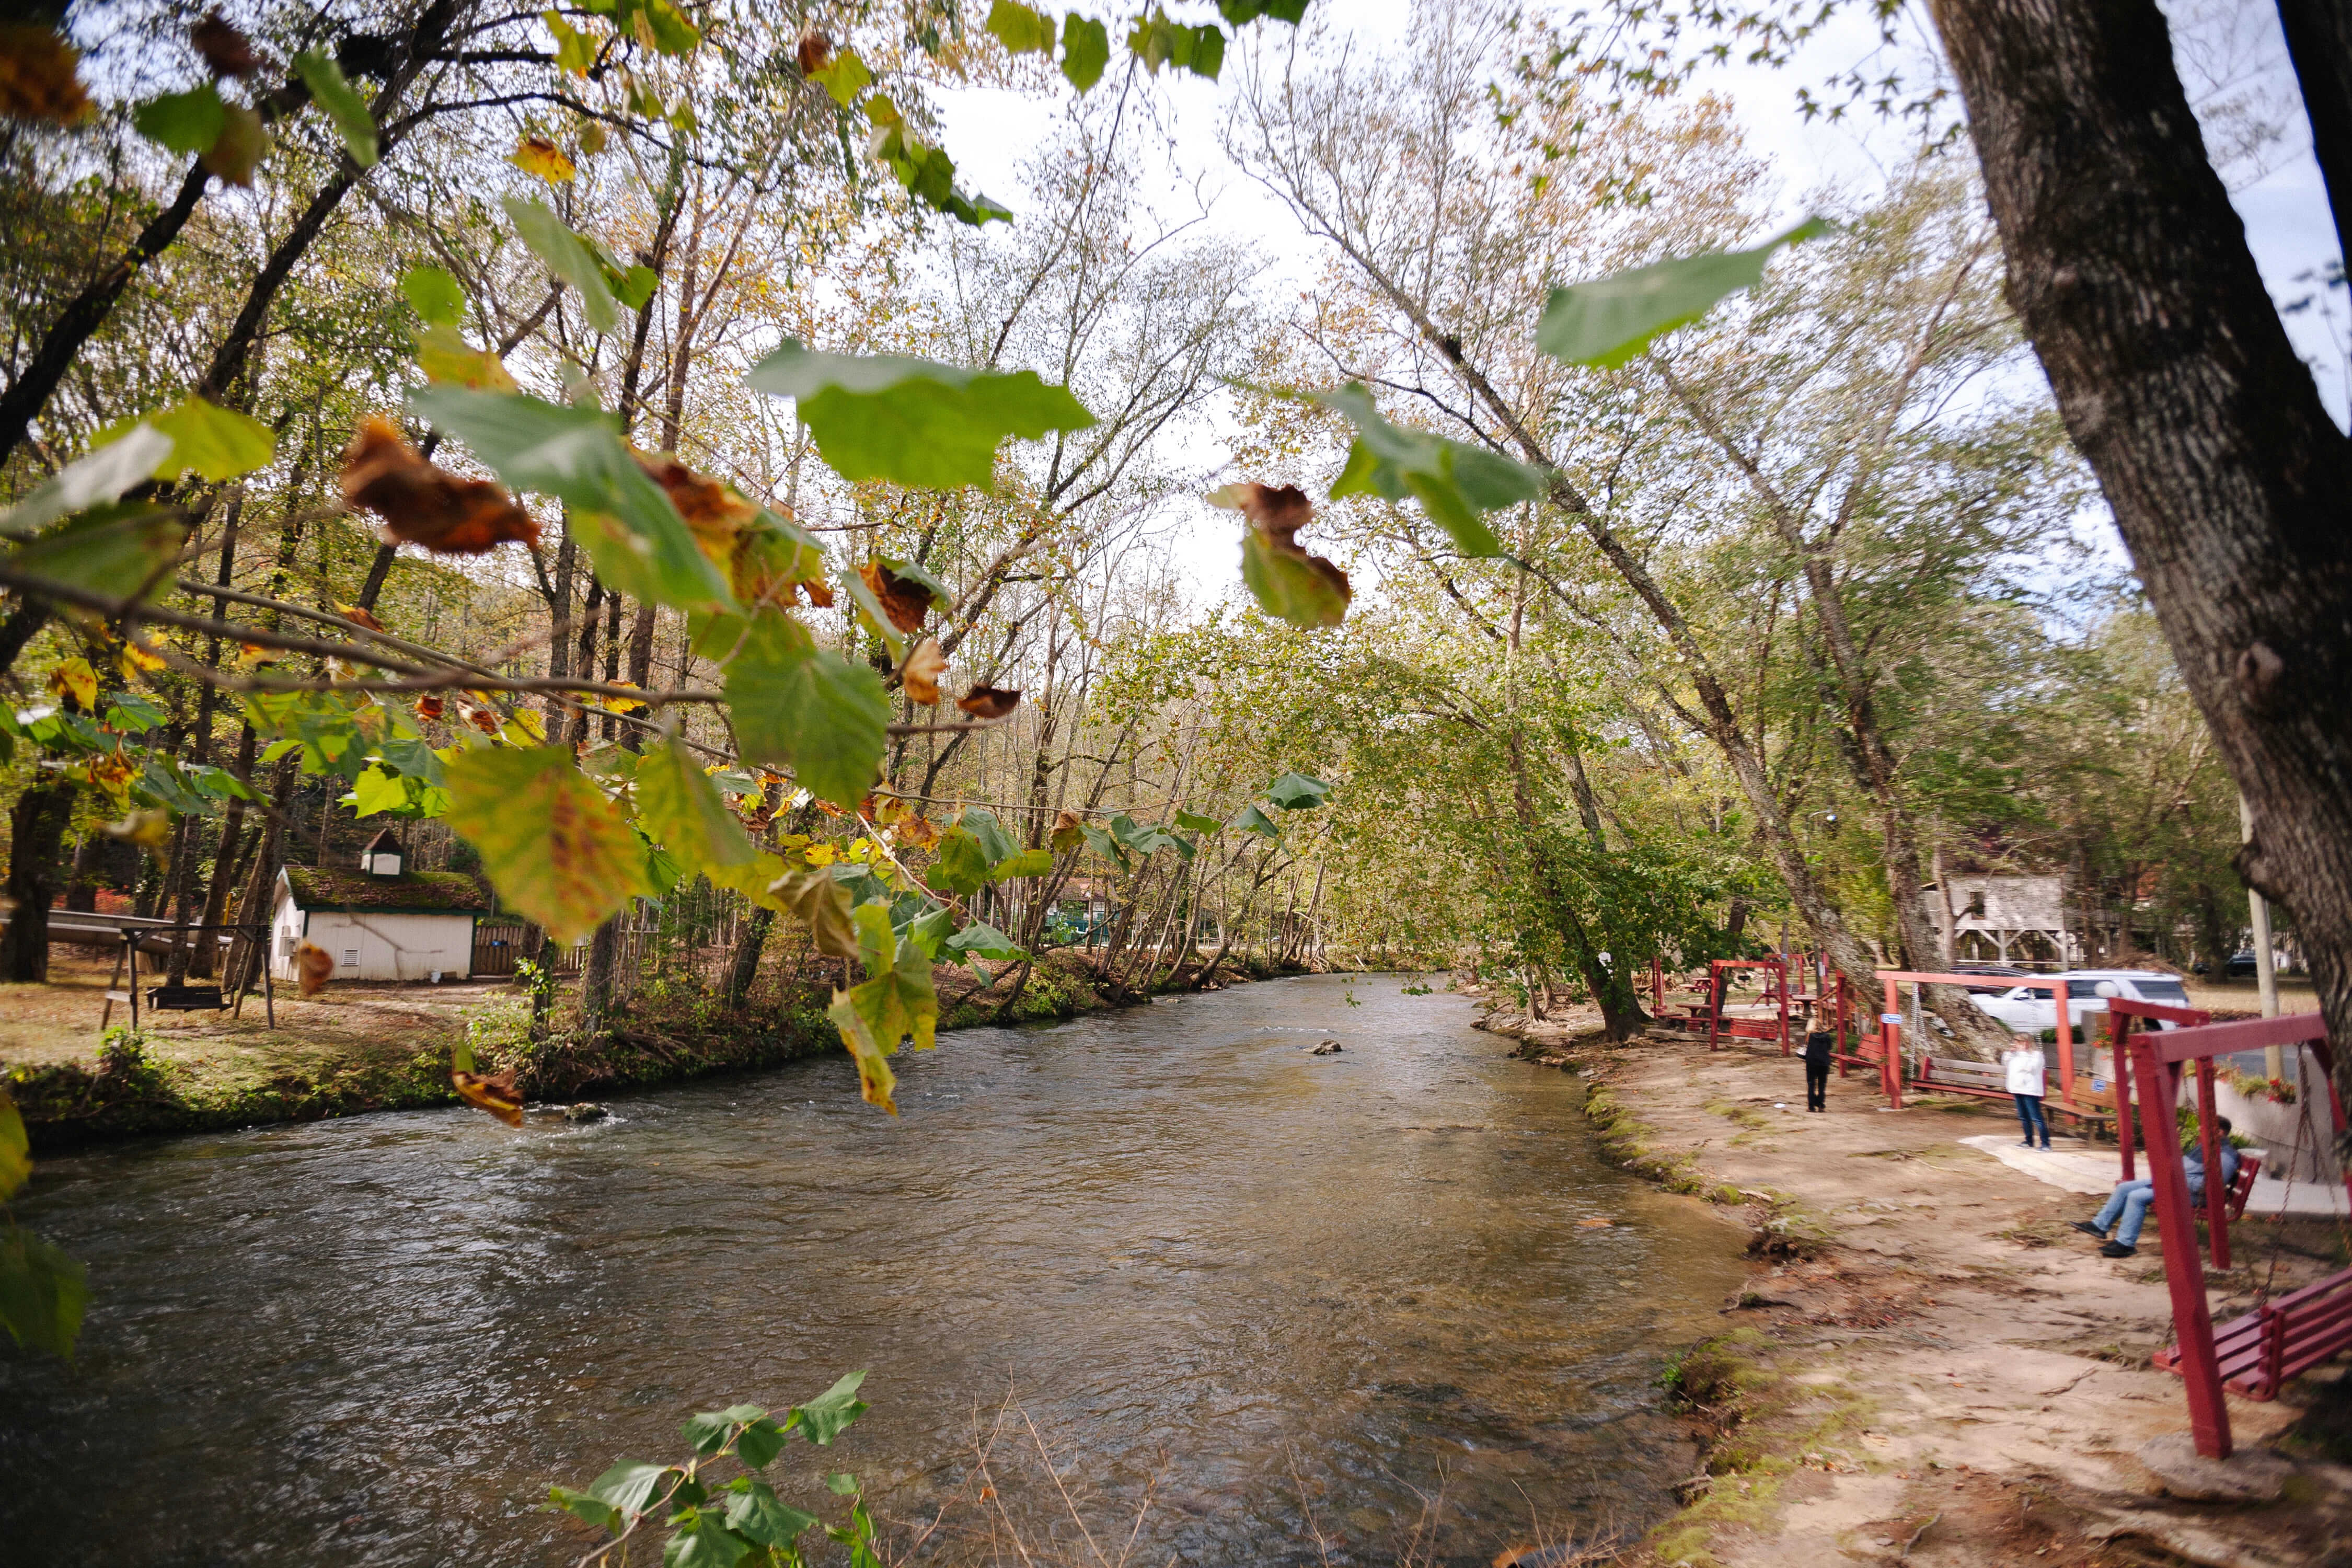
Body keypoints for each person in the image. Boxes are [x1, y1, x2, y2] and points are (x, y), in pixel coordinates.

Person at [2072, 1115, 2240, 1258]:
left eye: (2205, 1126)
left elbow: (2211, 1187)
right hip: (2175, 1184)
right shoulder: (2209, 1146)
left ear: (2220, 1132)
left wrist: (2174, 1180)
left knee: (2136, 1197)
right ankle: (2099, 1226)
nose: (2199, 1128)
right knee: (2125, 1188)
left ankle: (2125, 1244)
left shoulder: (2226, 1157)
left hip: (2195, 1195)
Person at [2006, 1036, 2051, 1150]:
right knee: (2024, 1117)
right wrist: (2010, 1053)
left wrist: (2023, 1054)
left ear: (2028, 1043)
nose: (2017, 1045)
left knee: (2036, 1117)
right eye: (2016, 1042)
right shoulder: (2015, 1055)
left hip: (2030, 1090)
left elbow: (2030, 1068)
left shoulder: (2036, 1055)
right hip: (2017, 1088)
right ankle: (2029, 1141)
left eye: (2020, 1042)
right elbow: (2007, 1064)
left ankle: (2046, 1144)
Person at [1802, 1005, 1833, 1112]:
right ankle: (1821, 1105)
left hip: (1812, 1063)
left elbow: (1806, 1048)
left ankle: (1811, 1106)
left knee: (1811, 1084)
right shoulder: (1827, 1036)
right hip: (1824, 1063)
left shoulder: (1809, 1036)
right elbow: (1830, 1048)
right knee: (1822, 1085)